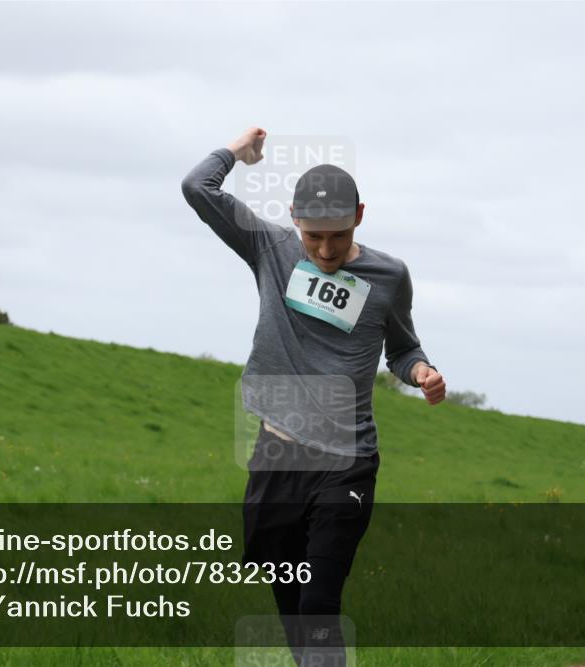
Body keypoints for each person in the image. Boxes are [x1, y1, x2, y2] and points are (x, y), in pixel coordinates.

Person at [182, 127, 446, 666]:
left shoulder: (389, 276)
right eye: (313, 238)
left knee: (319, 603)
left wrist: (421, 371)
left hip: (346, 461)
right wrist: (238, 152)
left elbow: (402, 346)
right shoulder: (270, 246)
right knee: (292, 609)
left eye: (338, 236)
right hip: (276, 456)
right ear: (294, 220)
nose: (325, 251)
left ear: (360, 216)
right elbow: (196, 187)